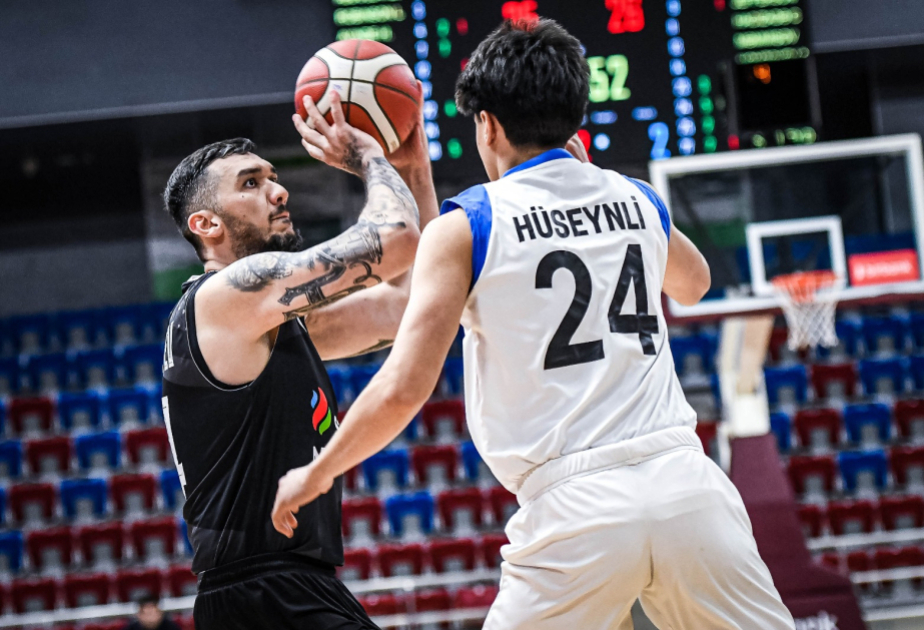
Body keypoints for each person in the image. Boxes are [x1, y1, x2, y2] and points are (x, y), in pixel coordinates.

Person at [272, 19, 797, 630]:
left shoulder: (470, 223)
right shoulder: (635, 196)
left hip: (575, 511)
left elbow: (404, 385)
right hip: (688, 488)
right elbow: (695, 283)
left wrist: (318, 471)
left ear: (488, 125)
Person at [160, 88, 438, 630]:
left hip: (286, 588)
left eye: (272, 177)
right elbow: (396, 239)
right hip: (263, 592)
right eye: (251, 183)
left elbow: (407, 305)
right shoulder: (224, 296)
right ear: (206, 224)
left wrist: (415, 170)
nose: (279, 190)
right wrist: (369, 158)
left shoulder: (268, 321)